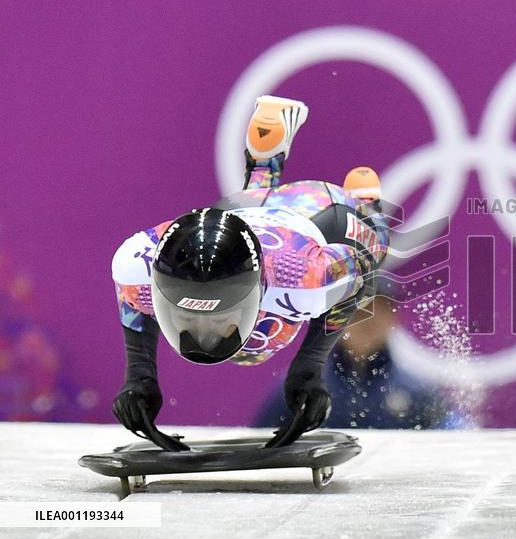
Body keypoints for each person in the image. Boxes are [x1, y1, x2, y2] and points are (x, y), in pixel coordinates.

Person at [110, 96, 389, 446]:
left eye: (214, 319)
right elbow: (136, 300)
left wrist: (309, 367)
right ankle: (263, 159)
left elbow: (360, 274)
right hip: (241, 214)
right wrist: (139, 378)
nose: (204, 335)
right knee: (249, 211)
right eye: (191, 318)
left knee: (376, 243)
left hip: (319, 208)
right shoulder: (139, 264)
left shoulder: (307, 279)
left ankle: (365, 200)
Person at [254, 293, 468, 430]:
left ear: (394, 319)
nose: (368, 321)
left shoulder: (416, 387)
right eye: (358, 314)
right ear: (335, 322)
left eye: (378, 312)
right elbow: (262, 439)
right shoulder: (301, 386)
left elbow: (453, 437)